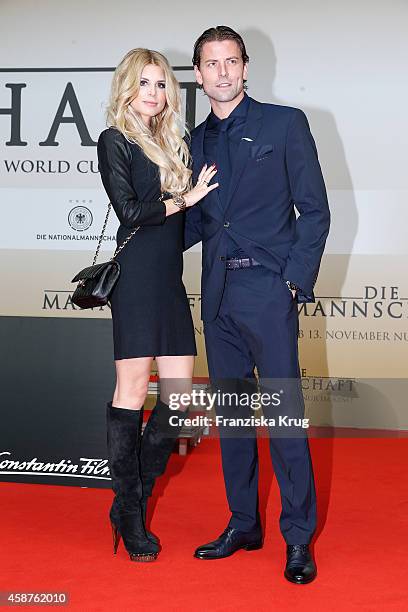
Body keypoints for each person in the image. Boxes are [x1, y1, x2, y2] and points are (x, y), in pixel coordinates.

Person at [185, 26, 330, 583]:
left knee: (285, 421)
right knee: (234, 420)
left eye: (230, 61)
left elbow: (314, 211)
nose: (221, 72)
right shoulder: (194, 142)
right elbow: (198, 221)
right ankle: (243, 522)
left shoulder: (285, 124)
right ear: (198, 76)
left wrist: (293, 281)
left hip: (268, 293)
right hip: (217, 296)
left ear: (245, 67)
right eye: (210, 64)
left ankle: (298, 538)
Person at [97, 48, 218, 562]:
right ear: (127, 87)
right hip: (136, 280)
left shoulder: (176, 142)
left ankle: (130, 500)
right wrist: (181, 201)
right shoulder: (114, 141)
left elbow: (181, 230)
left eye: (162, 84)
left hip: (169, 278)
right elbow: (128, 211)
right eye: (144, 83)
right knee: (130, 389)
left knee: (177, 396)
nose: (153, 92)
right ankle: (131, 510)